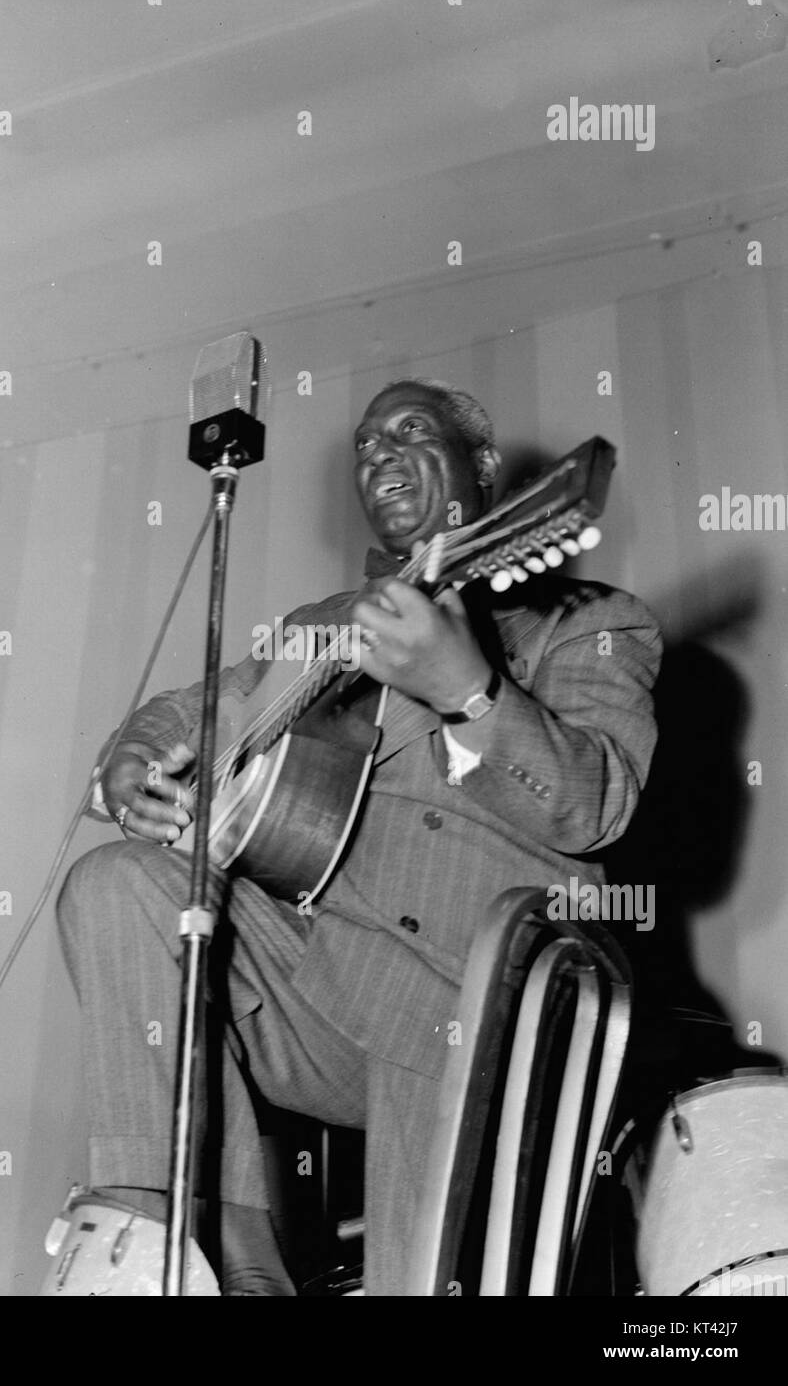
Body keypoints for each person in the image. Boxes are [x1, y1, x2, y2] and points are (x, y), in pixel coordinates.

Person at [56, 379, 662, 1295]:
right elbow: (186, 708)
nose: (378, 451)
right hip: (319, 989)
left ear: (485, 471)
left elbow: (596, 803)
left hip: (475, 1003)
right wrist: (132, 761)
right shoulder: (317, 630)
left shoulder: (589, 624)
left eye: (410, 430)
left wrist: (470, 691)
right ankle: (195, 1253)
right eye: (365, 441)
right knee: (118, 883)